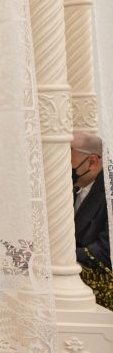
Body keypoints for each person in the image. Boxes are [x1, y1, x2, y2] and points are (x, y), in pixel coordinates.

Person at [71, 131, 111, 310]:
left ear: (93, 162)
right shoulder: (70, 186)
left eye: (69, 161)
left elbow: (105, 251)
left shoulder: (110, 194)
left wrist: (58, 255)